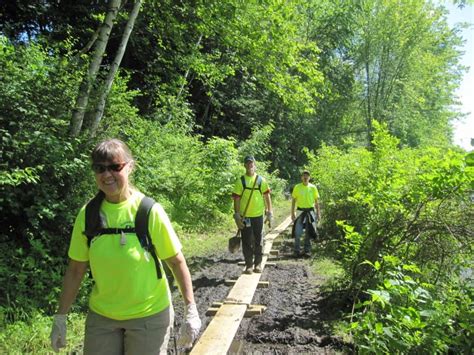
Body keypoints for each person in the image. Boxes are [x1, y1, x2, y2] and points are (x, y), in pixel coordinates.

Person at [50, 139, 201, 354]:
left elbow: (176, 262)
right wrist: (61, 317)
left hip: (149, 315)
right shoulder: (88, 214)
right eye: (99, 168)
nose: (107, 174)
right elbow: (76, 269)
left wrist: (191, 310)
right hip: (102, 316)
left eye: (115, 167)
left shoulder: (149, 211)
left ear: (130, 166)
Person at [232, 155, 273, 274]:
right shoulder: (241, 181)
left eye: (252, 163)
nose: (250, 165)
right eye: (248, 163)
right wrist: (237, 216)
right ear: (244, 165)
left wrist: (269, 212)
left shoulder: (261, 180)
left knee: (259, 239)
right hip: (246, 217)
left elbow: (267, 196)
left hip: (258, 215)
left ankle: (258, 264)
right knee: (246, 240)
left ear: (254, 165)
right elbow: (236, 199)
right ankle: (249, 265)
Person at [291, 170, 321, 258]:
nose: (305, 177)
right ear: (301, 177)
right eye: (304, 176)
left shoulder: (313, 187)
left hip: (310, 212)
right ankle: (296, 251)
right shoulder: (297, 187)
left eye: (307, 176)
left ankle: (307, 251)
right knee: (297, 232)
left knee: (309, 232)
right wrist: (292, 213)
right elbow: (293, 200)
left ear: (309, 178)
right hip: (300, 211)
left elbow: (316, 202)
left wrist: (318, 213)